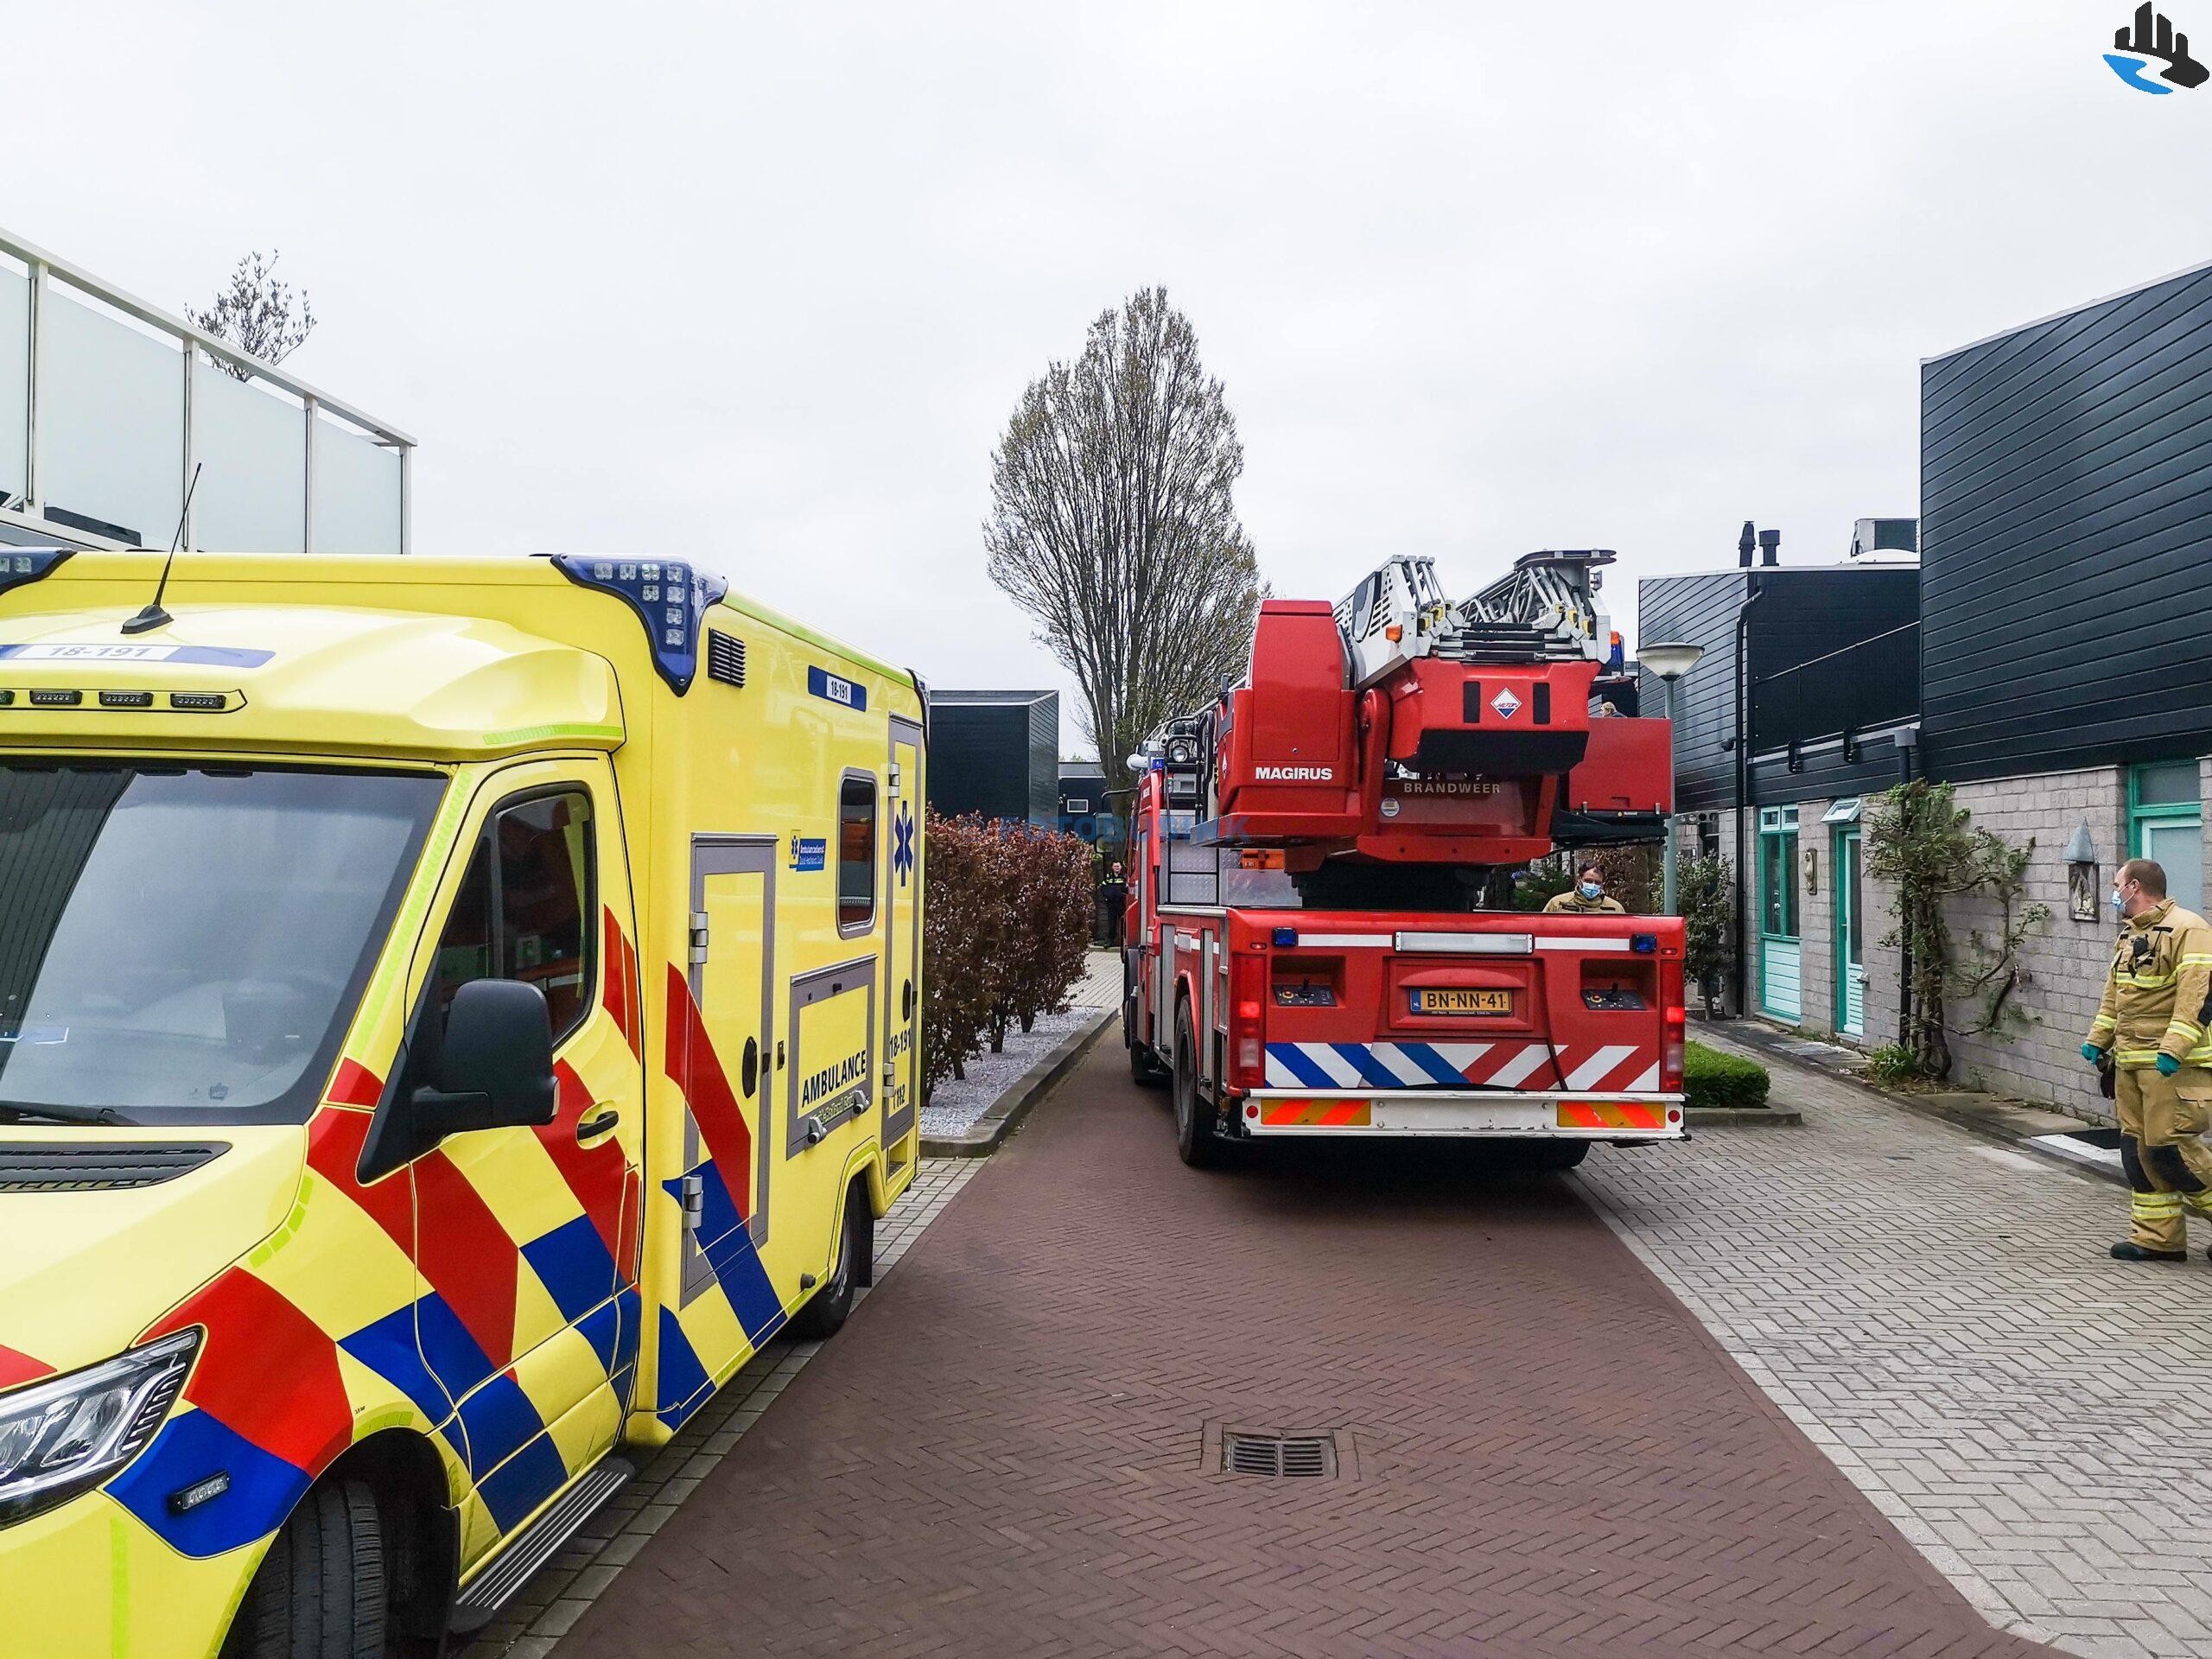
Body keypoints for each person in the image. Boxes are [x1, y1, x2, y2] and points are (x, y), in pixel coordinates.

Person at [2083, 857, 2212, 1261]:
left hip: (2171, 1067)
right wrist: (2097, 1039)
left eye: (2118, 884)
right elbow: (2115, 997)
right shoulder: (2129, 935)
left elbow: (2197, 996)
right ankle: (2158, 1239)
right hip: (2131, 1063)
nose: (2114, 891)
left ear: (2134, 886)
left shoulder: (2189, 929)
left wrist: (2174, 1049)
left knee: (2170, 1151)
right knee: (2138, 1154)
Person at [1544, 861, 1624, 914]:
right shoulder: (1557, 903)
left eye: (1597, 882)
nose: (1593, 885)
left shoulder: (1616, 908)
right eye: (1588, 881)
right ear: (1579, 880)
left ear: (1602, 884)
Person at [1096, 860, 1128, 947]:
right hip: (1111, 904)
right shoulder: (1108, 877)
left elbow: (1127, 889)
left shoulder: (1124, 877)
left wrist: (1120, 893)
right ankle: (1110, 941)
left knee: (1123, 923)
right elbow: (1102, 888)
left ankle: (1123, 941)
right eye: (1115, 866)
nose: (1117, 868)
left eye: (1118, 866)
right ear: (1112, 867)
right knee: (1112, 924)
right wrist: (1107, 898)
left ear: (1121, 867)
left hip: (1121, 904)